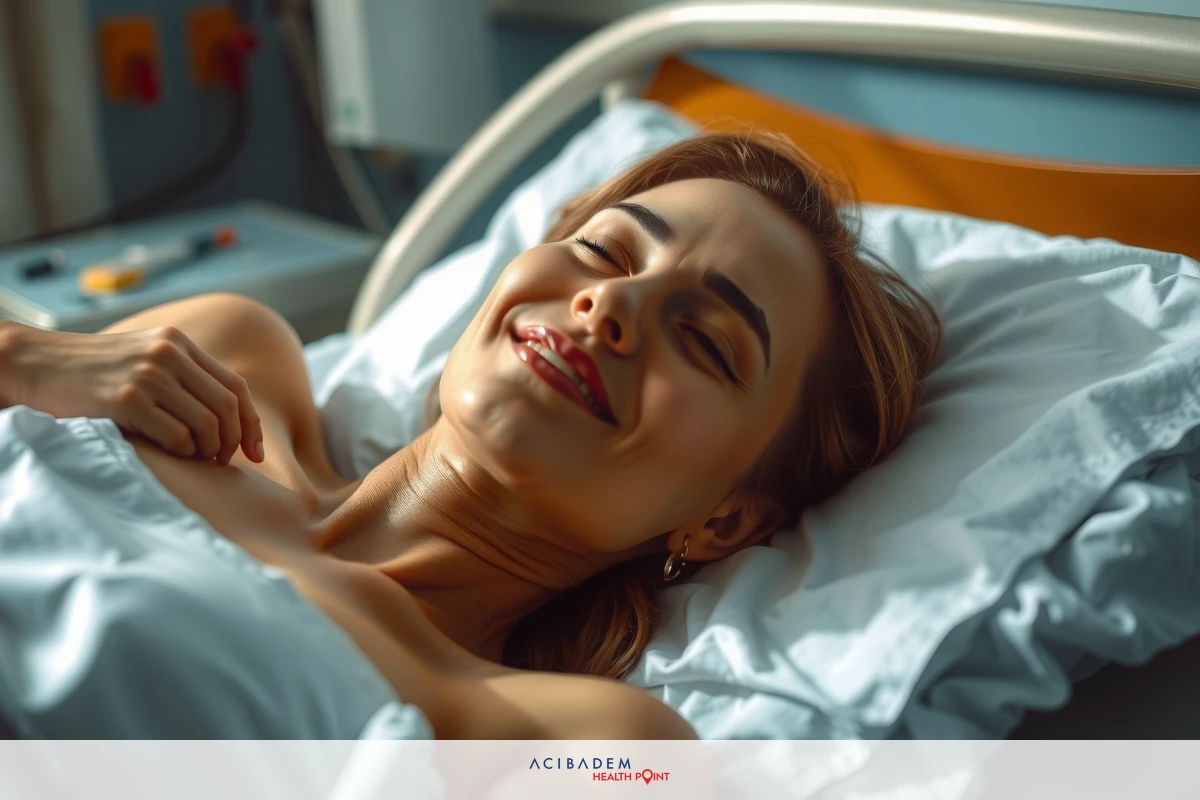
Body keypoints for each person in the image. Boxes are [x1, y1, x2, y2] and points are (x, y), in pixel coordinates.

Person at [0, 132, 941, 739]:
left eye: (704, 340)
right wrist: (28, 360)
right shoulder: (225, 356)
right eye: (605, 250)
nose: (610, 302)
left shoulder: (578, 737)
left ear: (728, 523)